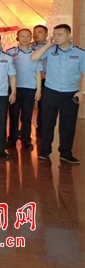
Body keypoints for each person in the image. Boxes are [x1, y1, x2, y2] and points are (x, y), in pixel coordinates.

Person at [31, 24, 85, 164]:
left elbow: (84, 73)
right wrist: (49, 44)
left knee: (68, 124)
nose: (56, 37)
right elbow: (34, 57)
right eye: (54, 34)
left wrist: (82, 91)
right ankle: (45, 151)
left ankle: (65, 153)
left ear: (69, 36)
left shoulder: (80, 53)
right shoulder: (50, 50)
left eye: (60, 34)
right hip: (51, 91)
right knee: (47, 122)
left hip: (70, 93)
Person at [5, 29, 43, 151]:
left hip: (30, 88)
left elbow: (38, 73)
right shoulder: (10, 52)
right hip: (14, 88)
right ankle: (12, 138)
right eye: (22, 36)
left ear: (31, 38)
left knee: (27, 115)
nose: (25, 39)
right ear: (17, 38)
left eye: (27, 36)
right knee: (13, 114)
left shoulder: (36, 53)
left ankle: (26, 139)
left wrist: (38, 90)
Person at [31, 24, 48, 134]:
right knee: (27, 106)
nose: (36, 34)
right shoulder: (29, 46)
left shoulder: (51, 47)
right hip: (29, 81)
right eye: (34, 32)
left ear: (46, 34)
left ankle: (41, 129)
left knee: (43, 106)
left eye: (39, 32)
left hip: (44, 80)